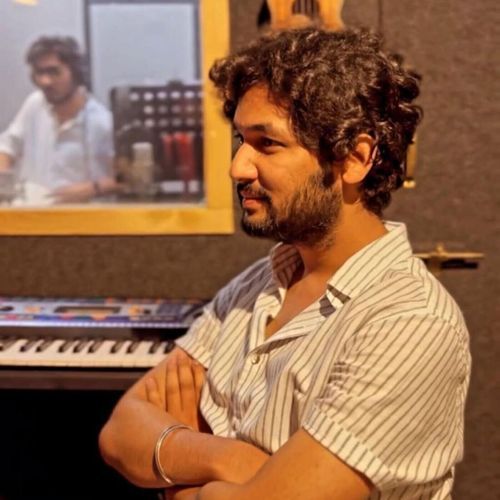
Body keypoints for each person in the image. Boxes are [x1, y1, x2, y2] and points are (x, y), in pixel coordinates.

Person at [99, 28, 470, 499]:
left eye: (267, 143)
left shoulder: (410, 323)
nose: (238, 167)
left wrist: (180, 483)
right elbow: (120, 434)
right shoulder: (254, 286)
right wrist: (230, 460)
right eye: (241, 139)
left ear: (354, 159)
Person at [0, 36, 115, 204]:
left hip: (77, 216)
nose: (45, 81)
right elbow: (6, 148)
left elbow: (125, 180)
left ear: (76, 73)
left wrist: (93, 189)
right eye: (39, 73)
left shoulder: (102, 122)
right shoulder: (34, 104)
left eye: (54, 72)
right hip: (28, 213)